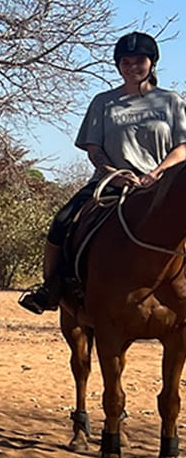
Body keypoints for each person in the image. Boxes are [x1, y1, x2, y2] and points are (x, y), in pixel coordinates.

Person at [20, 31, 186, 313]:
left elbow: (182, 148)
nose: (132, 67)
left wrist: (157, 173)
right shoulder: (103, 102)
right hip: (110, 183)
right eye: (125, 61)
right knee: (62, 221)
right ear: (118, 65)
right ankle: (50, 287)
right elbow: (94, 149)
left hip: (159, 185)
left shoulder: (171, 102)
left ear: (152, 63)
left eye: (139, 60)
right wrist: (114, 172)